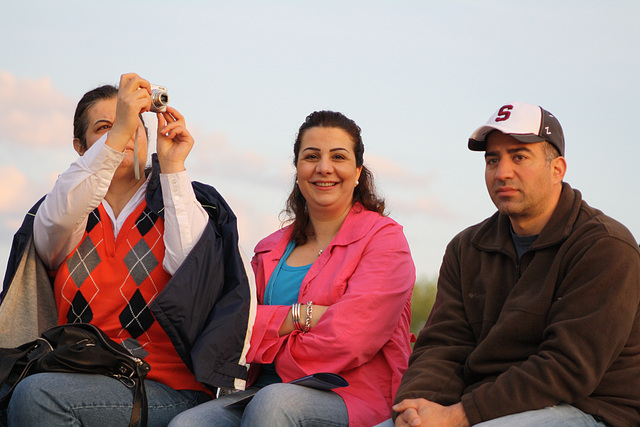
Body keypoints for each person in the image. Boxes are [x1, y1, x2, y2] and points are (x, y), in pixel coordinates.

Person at [0, 73, 254, 426]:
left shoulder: (187, 200)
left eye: (133, 125)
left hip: (167, 386)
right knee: (34, 392)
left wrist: (173, 168)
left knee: (36, 397)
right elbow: (58, 219)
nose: (122, 135)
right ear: (79, 146)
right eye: (105, 126)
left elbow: (192, 269)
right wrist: (118, 134)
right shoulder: (64, 209)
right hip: (73, 377)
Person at [381, 102, 640, 427]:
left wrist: (461, 415)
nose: (502, 171)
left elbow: (568, 368)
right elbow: (442, 347)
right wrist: (415, 410)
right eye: (493, 160)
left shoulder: (604, 246)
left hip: (589, 409)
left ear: (557, 169)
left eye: (519, 157)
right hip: (485, 407)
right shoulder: (466, 248)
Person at [168, 110, 416, 427]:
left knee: (273, 405)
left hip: (353, 396)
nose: (324, 168)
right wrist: (302, 316)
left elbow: (350, 339)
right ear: (297, 169)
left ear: (357, 172)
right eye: (311, 156)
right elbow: (233, 327)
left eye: (338, 156)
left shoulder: (385, 240)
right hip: (262, 390)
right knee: (187, 424)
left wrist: (267, 338)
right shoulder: (269, 249)